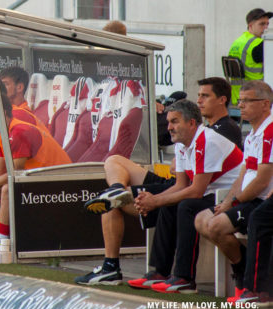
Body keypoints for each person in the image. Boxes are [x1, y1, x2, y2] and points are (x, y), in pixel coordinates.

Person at [78, 84, 242, 286]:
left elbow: (195, 190)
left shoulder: (207, 140)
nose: (169, 127)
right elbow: (181, 184)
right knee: (115, 172)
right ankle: (159, 271)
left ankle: (183, 277)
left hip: (226, 195)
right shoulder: (183, 142)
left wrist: (155, 201)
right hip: (206, 191)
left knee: (184, 205)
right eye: (168, 122)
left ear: (192, 123)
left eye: (174, 122)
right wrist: (156, 200)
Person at [0, 92, 72, 261]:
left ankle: (0, 245)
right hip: (36, 177)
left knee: (6, 189)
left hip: (59, 182)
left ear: (3, 112)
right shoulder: (0, 131)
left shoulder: (18, 131)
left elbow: (14, 174)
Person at [195, 81, 273, 303]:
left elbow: (261, 181)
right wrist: (229, 200)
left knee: (216, 225)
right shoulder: (252, 135)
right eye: (240, 101)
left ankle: (250, 283)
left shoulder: (270, 131)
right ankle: (242, 267)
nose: (240, 106)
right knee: (202, 219)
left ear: (265, 104)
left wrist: (235, 202)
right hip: (248, 199)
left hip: (259, 200)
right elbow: (243, 175)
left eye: (247, 101)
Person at [228, 8, 271, 104]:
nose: (266, 28)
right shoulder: (259, 43)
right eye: (262, 24)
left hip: (237, 97)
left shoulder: (237, 42)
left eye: (267, 24)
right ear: (250, 25)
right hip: (256, 96)